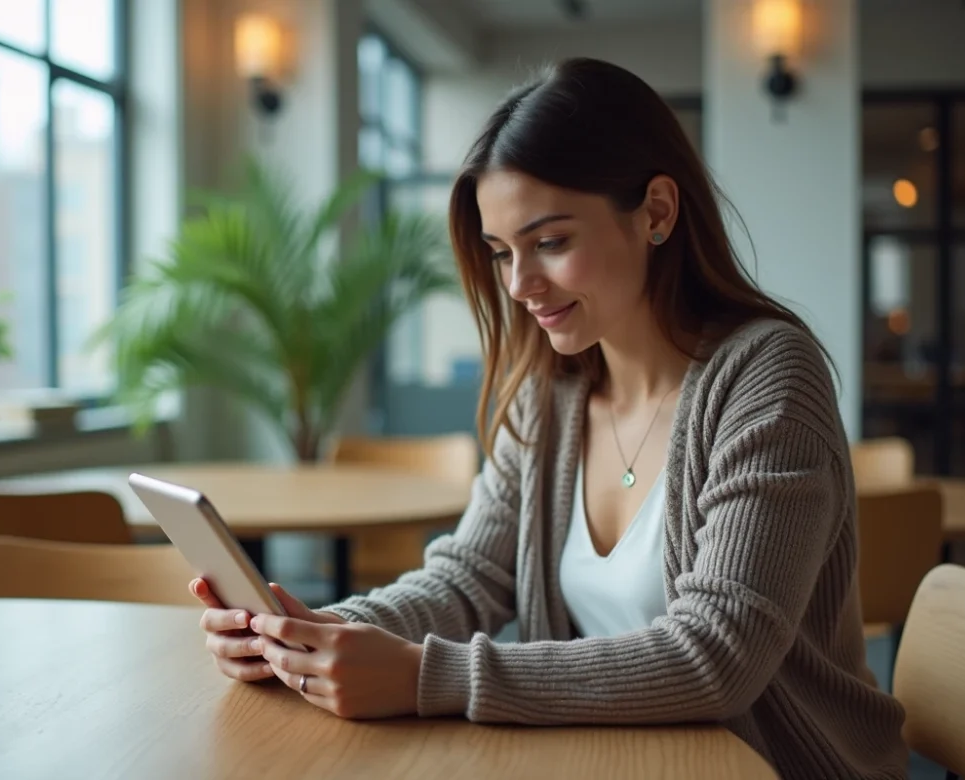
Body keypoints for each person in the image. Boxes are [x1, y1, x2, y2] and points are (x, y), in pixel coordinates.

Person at [190, 57, 910, 779]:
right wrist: (325, 633)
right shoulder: (549, 393)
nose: (518, 285)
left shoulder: (768, 375)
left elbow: (715, 654)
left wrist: (420, 677)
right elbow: (468, 578)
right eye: (502, 252)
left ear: (657, 211)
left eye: (551, 242)